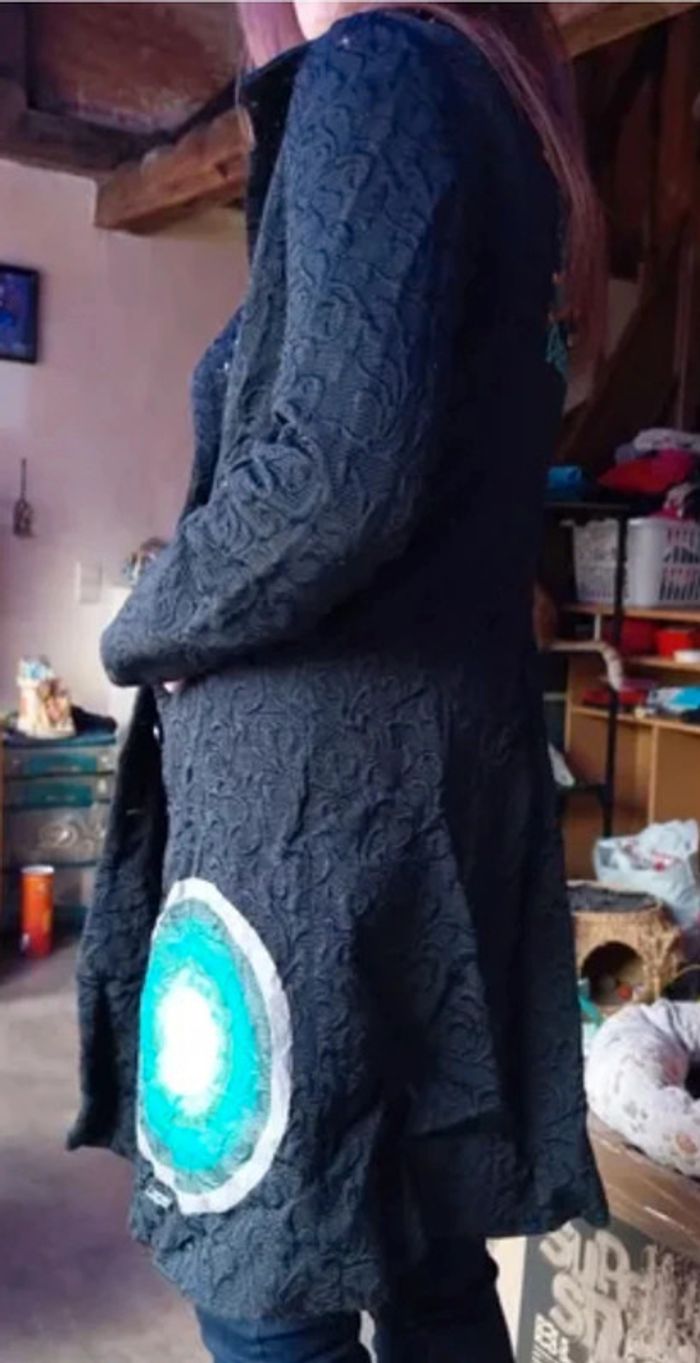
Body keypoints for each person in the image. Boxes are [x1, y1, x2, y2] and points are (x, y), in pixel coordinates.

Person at [71, 3, 608, 1360]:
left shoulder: (385, 70)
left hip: (314, 821)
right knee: (422, 1248)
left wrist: (145, 623)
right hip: (426, 789)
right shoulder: (494, 115)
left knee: (267, 1278)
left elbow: (331, 476)